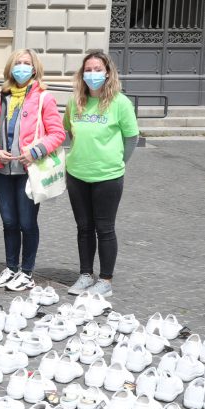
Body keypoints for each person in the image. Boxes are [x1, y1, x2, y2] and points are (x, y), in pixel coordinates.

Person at [0, 50, 66, 292]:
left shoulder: (44, 97)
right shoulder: (4, 96)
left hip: (28, 171)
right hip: (3, 169)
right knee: (9, 222)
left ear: (34, 69)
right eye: (17, 63)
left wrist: (36, 151)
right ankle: (11, 268)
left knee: (27, 223)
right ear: (10, 68)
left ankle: (27, 272)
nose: (21, 67)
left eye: (26, 64)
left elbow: (58, 134)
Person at [64, 50, 139, 298]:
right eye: (88, 70)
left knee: (104, 228)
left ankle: (105, 280)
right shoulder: (76, 101)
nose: (92, 74)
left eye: (97, 69)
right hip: (77, 174)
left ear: (108, 72)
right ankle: (85, 275)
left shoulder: (120, 103)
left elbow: (132, 137)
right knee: (83, 227)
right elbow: (68, 132)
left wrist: (118, 162)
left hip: (108, 176)